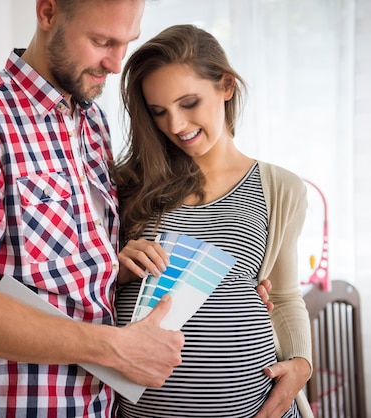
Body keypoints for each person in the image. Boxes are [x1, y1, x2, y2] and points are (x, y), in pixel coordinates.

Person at [0, 1, 187, 416]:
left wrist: (112, 266)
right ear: (47, 13)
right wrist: (114, 347)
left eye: (125, 43)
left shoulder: (92, 121)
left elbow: (61, 274)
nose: (115, 64)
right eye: (101, 41)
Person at [112, 24, 313, 417]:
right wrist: (116, 268)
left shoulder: (280, 188)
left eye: (189, 103)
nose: (174, 125)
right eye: (159, 112)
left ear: (225, 86)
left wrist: (302, 365)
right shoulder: (128, 185)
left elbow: (286, 296)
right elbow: (88, 288)